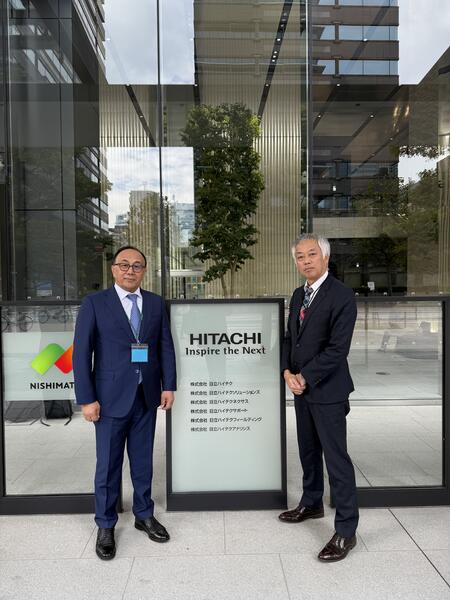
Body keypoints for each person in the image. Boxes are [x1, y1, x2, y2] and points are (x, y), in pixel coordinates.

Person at [73, 246, 176, 560]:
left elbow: (165, 346)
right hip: (108, 399)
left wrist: (169, 386)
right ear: (114, 269)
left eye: (137, 266)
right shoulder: (95, 303)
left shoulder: (155, 303)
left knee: (143, 461)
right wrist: (87, 399)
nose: (131, 270)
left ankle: (144, 515)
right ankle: (105, 524)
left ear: (144, 270)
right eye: (124, 265)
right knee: (108, 465)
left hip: (146, 396)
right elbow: (81, 353)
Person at [279, 233, 359, 562]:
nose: (306, 261)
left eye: (311, 254)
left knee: (336, 459)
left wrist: (305, 376)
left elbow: (338, 349)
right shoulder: (299, 294)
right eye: (300, 256)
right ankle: (311, 503)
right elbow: (290, 339)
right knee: (308, 451)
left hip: (328, 390)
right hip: (301, 388)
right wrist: (287, 372)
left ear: (325, 257)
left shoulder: (342, 295)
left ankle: (346, 531)